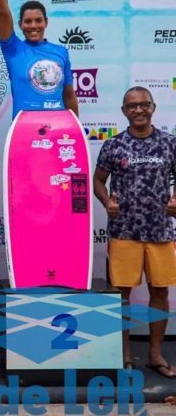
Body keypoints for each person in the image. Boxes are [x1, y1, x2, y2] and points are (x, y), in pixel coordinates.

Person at [93, 86, 176, 376]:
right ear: (124, 111)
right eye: (132, 106)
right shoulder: (114, 145)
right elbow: (98, 181)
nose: (138, 110)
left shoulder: (169, 143)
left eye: (143, 105)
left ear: (153, 107)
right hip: (124, 230)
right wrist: (107, 201)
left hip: (161, 230)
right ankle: (124, 354)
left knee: (160, 290)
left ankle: (155, 353)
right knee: (121, 294)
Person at [0, 0, 78, 118]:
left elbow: (69, 95)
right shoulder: (13, 49)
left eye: (38, 20)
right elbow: (3, 12)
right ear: (20, 25)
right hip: (24, 127)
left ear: (46, 22)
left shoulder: (61, 52)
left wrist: (76, 130)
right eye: (28, 21)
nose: (33, 26)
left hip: (57, 126)